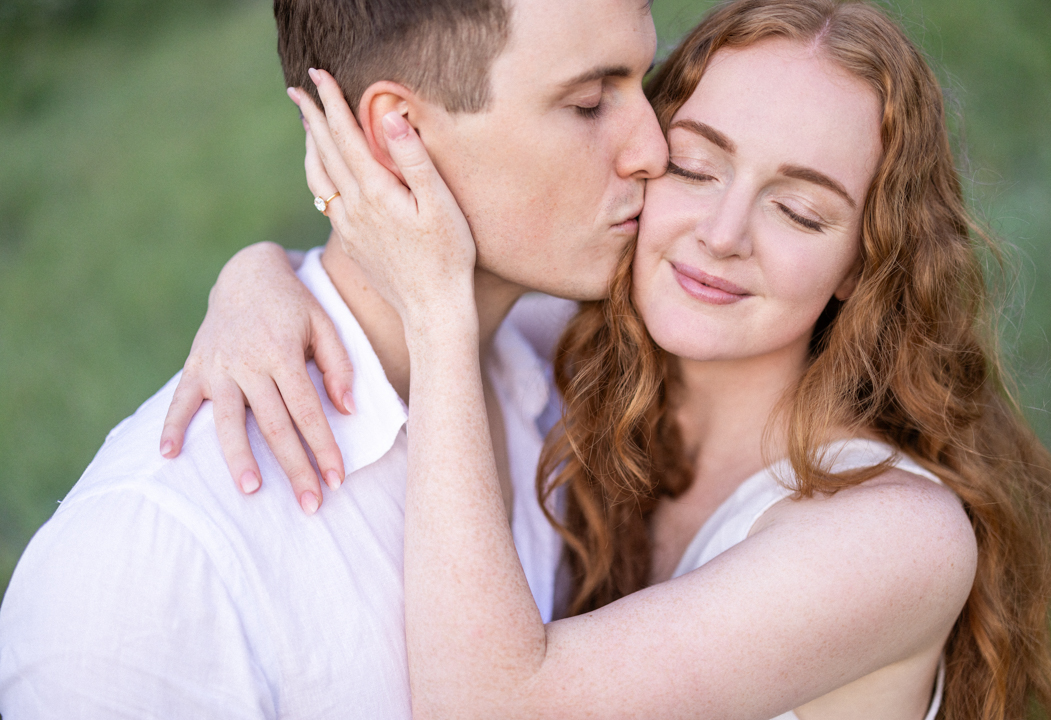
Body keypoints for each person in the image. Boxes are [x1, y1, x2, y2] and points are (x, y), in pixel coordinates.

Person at [170, 0, 1051, 717]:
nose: (723, 236)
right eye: (695, 166)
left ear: (862, 263)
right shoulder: (570, 359)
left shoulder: (895, 536)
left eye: (801, 212)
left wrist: (435, 303)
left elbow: (491, 710)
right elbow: (371, 305)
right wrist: (254, 278)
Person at [0, 0, 666, 716]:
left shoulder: (546, 368)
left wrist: (258, 266)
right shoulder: (153, 568)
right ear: (397, 134)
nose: (653, 150)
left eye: (642, 84)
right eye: (591, 103)